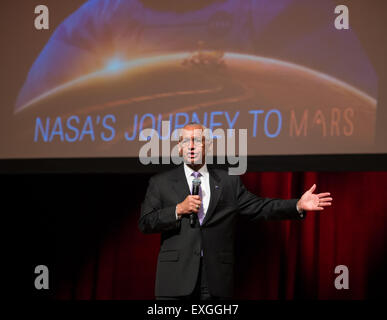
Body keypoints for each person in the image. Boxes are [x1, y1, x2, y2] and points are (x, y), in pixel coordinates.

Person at [138, 122, 332, 300]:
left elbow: (259, 207)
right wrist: (178, 210)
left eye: (197, 140)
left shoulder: (228, 182)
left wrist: (297, 205)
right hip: (175, 279)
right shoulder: (160, 183)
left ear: (209, 146)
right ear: (179, 147)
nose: (191, 146)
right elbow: (145, 222)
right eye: (185, 141)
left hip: (214, 280)